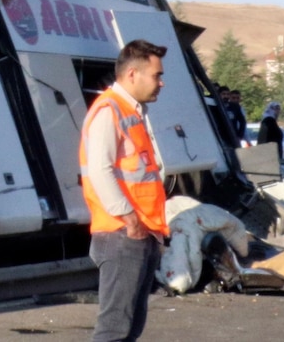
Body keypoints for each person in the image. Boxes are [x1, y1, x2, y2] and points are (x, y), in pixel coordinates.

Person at [81, 40, 170, 342]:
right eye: (156, 75)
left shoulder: (129, 112)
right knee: (114, 330)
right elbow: (99, 170)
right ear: (133, 74)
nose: (161, 82)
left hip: (137, 232)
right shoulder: (109, 110)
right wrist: (129, 219)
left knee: (128, 328)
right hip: (122, 233)